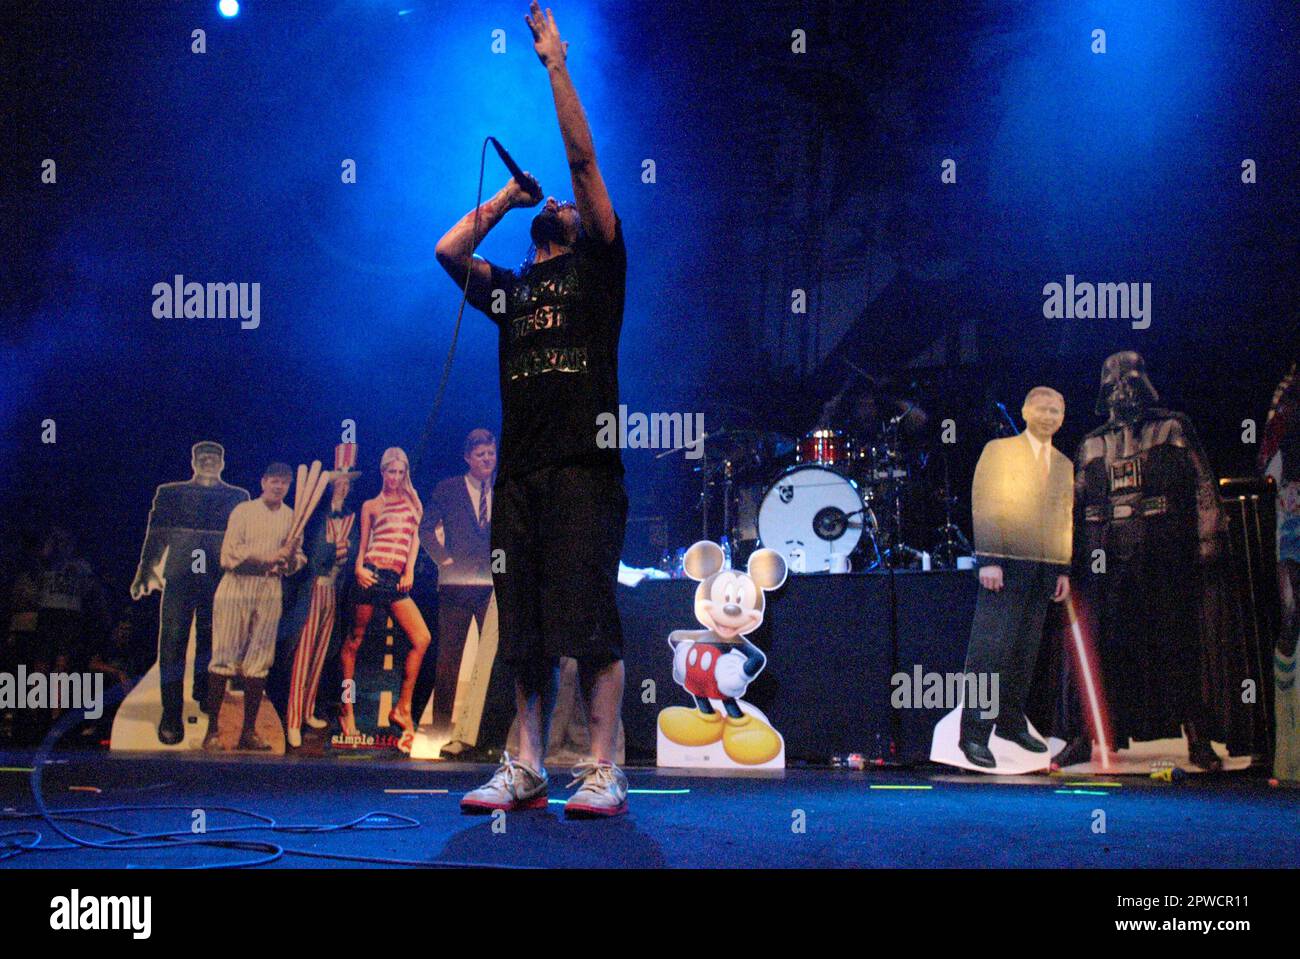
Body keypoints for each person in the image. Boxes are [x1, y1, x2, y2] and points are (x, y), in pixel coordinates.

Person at [434, 2, 630, 817]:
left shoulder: (600, 269)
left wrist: (555, 64)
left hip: (585, 468)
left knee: (587, 622)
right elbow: (448, 252)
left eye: (564, 206)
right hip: (519, 474)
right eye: (551, 207)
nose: (562, 203)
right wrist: (508, 200)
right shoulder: (512, 292)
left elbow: (582, 161)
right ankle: (525, 765)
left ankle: (604, 766)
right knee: (523, 629)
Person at [1059, 352, 1224, 770]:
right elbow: (1073, 506)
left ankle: (1197, 736)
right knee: (1101, 647)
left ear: (1143, 384)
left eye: (1128, 383)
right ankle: (1086, 735)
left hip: (1162, 549)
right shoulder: (1091, 442)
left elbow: (1203, 482)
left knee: (1177, 642)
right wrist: (1066, 557)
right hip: (1107, 554)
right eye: (1113, 385)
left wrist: (1208, 538)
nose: (1121, 391)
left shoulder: (1172, 426)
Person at [958, 387, 1072, 769]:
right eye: (1042, 409)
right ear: (1025, 411)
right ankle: (973, 734)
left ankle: (1009, 721)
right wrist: (989, 558)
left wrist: (1062, 568)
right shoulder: (1000, 450)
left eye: (1056, 410)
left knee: (1024, 654)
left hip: (1042, 568)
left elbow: (1063, 519)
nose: (1048, 416)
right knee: (989, 653)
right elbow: (986, 500)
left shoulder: (1063, 464)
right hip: (1004, 565)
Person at [130, 441, 249, 744]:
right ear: (193, 460)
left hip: (219, 577)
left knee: (213, 640)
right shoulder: (171, 492)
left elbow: (242, 539)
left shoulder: (237, 497)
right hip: (181, 574)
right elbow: (157, 532)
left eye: (214, 457)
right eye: (203, 456)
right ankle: (171, 713)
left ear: (222, 462)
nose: (208, 460)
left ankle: (206, 696)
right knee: (172, 641)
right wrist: (146, 569)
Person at [203, 462, 305, 751]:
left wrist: (291, 560)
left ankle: (249, 732)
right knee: (223, 656)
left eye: (284, 482)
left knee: (260, 661)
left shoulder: (291, 517)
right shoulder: (244, 511)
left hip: (270, 588)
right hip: (237, 586)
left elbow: (297, 560)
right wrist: (272, 556)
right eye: (274, 481)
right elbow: (229, 555)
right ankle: (212, 731)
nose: (278, 486)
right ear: (263, 482)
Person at [339, 447, 432, 743]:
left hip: (394, 579)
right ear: (382, 472)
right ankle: (347, 710)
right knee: (354, 642)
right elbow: (363, 544)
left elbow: (415, 537)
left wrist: (410, 571)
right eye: (391, 472)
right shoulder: (371, 505)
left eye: (400, 472)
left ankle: (402, 708)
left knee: (422, 639)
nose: (395, 477)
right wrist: (358, 568)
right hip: (371, 575)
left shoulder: (412, 503)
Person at [415, 429, 499, 744]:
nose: (487, 459)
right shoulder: (448, 489)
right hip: (455, 586)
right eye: (481, 454)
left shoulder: (502, 490)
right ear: (468, 458)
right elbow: (425, 528)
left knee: (493, 658)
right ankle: (439, 727)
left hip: (491, 587)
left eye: (491, 453)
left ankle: (485, 728)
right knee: (449, 658)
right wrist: (443, 560)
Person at [276, 444, 362, 748]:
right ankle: (292, 720)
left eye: (346, 482)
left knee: (322, 655)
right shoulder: (317, 517)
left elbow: (351, 557)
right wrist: (337, 551)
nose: (342, 486)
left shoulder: (351, 518)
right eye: (337, 481)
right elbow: (316, 558)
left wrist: (342, 554)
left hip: (334, 594)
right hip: (313, 590)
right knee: (302, 657)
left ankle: (309, 710)